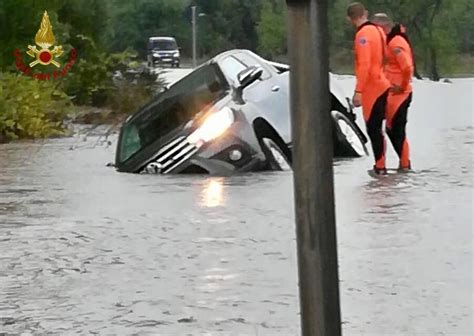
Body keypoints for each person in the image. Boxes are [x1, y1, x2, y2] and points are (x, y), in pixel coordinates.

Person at [346, 2, 391, 175]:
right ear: (365, 13)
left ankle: (380, 167)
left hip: (373, 87)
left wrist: (359, 91)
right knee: (378, 128)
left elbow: (364, 65)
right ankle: (381, 165)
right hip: (382, 82)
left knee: (373, 128)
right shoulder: (378, 30)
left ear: (350, 19)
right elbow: (384, 55)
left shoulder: (363, 35)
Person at [372, 13, 414, 171]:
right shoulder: (389, 41)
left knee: (397, 131)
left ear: (383, 27)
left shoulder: (396, 42)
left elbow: (407, 67)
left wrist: (402, 86)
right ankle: (402, 166)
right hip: (392, 92)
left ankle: (405, 165)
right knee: (391, 129)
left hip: (400, 94)